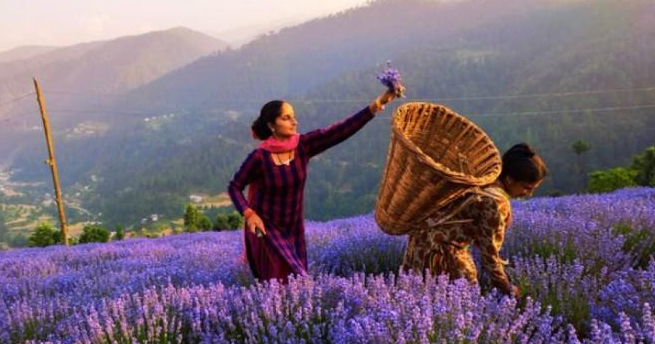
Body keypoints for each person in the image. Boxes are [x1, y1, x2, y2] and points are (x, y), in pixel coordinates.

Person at [229, 87, 401, 282]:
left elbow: (341, 130)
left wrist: (380, 102)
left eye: (293, 116)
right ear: (271, 125)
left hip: (293, 229)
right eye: (286, 118)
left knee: (297, 281)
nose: (294, 121)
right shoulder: (260, 157)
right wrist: (249, 214)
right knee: (282, 282)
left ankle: (289, 313)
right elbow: (234, 186)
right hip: (267, 230)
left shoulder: (302, 145)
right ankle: (276, 313)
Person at [401, 143, 549, 297]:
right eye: (526, 187)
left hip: (420, 243)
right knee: (460, 299)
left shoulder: (483, 181)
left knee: (420, 297)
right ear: (510, 180)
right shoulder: (497, 201)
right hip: (441, 254)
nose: (529, 194)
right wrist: (506, 286)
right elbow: (489, 252)